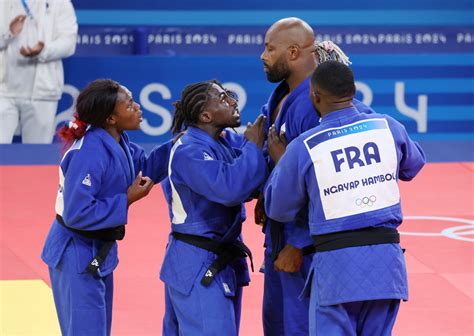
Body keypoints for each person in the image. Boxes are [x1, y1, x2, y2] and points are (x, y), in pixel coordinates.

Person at [264, 61, 426, 335]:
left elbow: (278, 209)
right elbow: (414, 164)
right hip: (386, 268)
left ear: (314, 95)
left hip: (336, 271)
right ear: (353, 91)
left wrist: (282, 165)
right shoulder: (388, 127)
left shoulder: (304, 146)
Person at [257, 17, 376, 336]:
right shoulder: (283, 96)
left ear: (293, 52)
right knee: (278, 325)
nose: (262, 56)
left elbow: (329, 184)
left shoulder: (314, 108)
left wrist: (298, 244)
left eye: (269, 49)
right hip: (279, 234)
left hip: (306, 245)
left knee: (300, 327)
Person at [41, 79, 174, 335]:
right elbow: (77, 214)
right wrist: (126, 199)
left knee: (98, 330)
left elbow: (145, 167)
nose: (137, 107)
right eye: (129, 104)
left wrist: (183, 140)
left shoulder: (118, 141)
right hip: (75, 251)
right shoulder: (89, 153)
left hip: (97, 250)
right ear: (111, 118)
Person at [160, 80, 267, 335]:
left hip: (217, 260)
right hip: (197, 262)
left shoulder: (224, 141)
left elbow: (250, 177)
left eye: (230, 94)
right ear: (205, 115)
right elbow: (230, 189)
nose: (232, 101)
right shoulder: (189, 150)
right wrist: (253, 146)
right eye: (223, 98)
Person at [0, 0, 77, 143]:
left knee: (36, 155)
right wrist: (8, 33)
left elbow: (69, 43)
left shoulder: (60, 3)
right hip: (3, 92)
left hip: (43, 92)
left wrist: (45, 50)